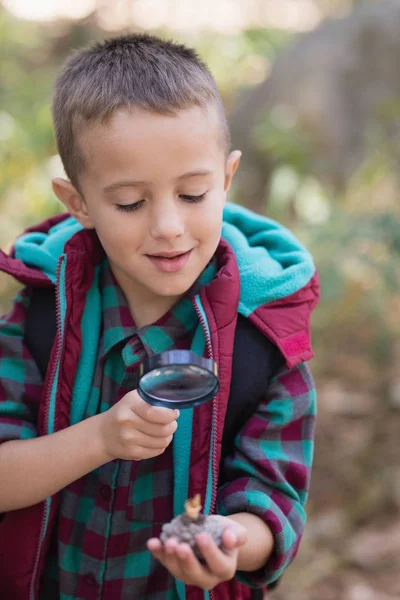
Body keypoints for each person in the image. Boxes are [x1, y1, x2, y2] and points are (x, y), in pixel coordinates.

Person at [0, 34, 319, 600]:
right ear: (77, 204)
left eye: (193, 194)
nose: (168, 226)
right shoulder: (39, 320)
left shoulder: (263, 342)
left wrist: (226, 542)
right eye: (130, 203)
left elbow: (275, 507)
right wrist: (98, 437)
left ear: (226, 178)